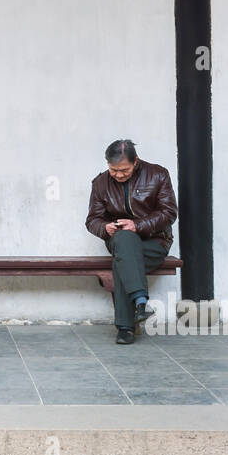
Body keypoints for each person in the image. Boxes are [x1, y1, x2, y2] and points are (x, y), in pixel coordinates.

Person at [85, 139, 178, 344]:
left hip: (154, 242)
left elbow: (169, 212)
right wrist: (104, 228)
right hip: (118, 241)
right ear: (107, 163)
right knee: (125, 241)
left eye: (124, 170)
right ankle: (141, 302)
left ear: (135, 162)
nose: (118, 174)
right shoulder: (100, 183)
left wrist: (138, 225)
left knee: (122, 261)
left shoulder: (158, 174)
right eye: (113, 170)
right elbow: (92, 220)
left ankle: (126, 328)